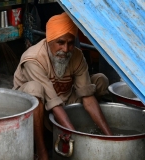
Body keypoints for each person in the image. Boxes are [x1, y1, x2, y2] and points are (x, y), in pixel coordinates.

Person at [13, 12, 112, 160]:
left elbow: (88, 98)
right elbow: (53, 104)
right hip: (35, 109)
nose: (65, 49)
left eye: (70, 43)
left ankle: (94, 132)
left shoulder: (76, 56)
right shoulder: (34, 58)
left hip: (63, 102)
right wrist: (77, 140)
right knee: (35, 88)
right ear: (49, 40)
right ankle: (42, 153)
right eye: (60, 42)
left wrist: (110, 138)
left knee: (100, 80)